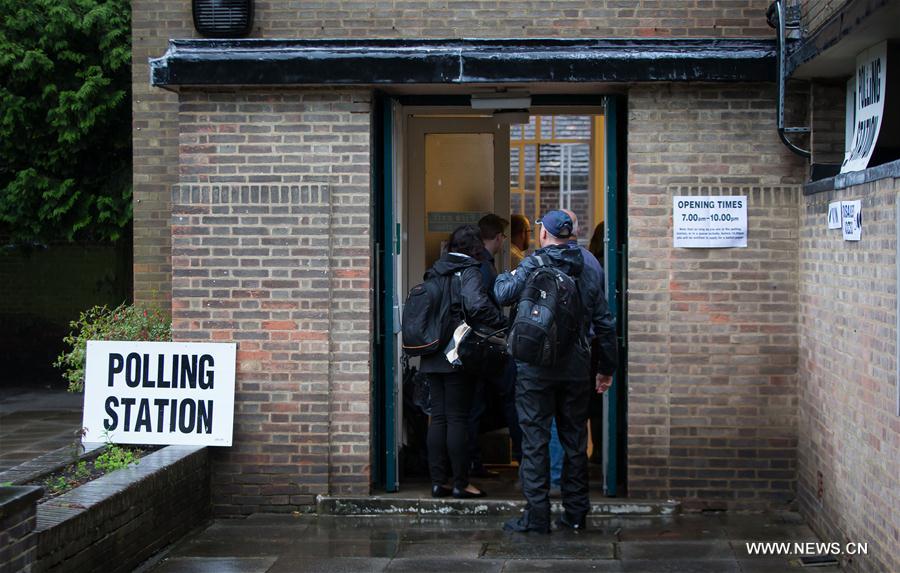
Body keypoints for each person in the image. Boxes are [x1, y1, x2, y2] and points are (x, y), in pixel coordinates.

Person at [494, 210, 618, 533]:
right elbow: (605, 324)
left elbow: (502, 294)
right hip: (576, 369)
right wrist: (606, 369)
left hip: (535, 369)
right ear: (571, 235)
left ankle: (536, 517)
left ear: (544, 235)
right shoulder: (589, 267)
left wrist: (503, 276)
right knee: (575, 442)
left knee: (534, 442)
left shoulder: (533, 264)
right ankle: (576, 514)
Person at [420, 224, 507, 499]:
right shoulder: (468, 271)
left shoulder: (434, 269)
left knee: (438, 418)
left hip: (431, 352)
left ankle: (438, 481)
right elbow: (477, 305)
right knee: (457, 417)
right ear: (474, 249)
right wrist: (503, 323)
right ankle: (460, 483)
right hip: (457, 352)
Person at [467, 213, 509, 478]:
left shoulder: (478, 263)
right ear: (498, 237)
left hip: (477, 345)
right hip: (482, 345)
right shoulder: (483, 267)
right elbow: (480, 307)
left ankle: (473, 462)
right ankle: (473, 462)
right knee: (477, 406)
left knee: (476, 405)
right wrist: (502, 323)